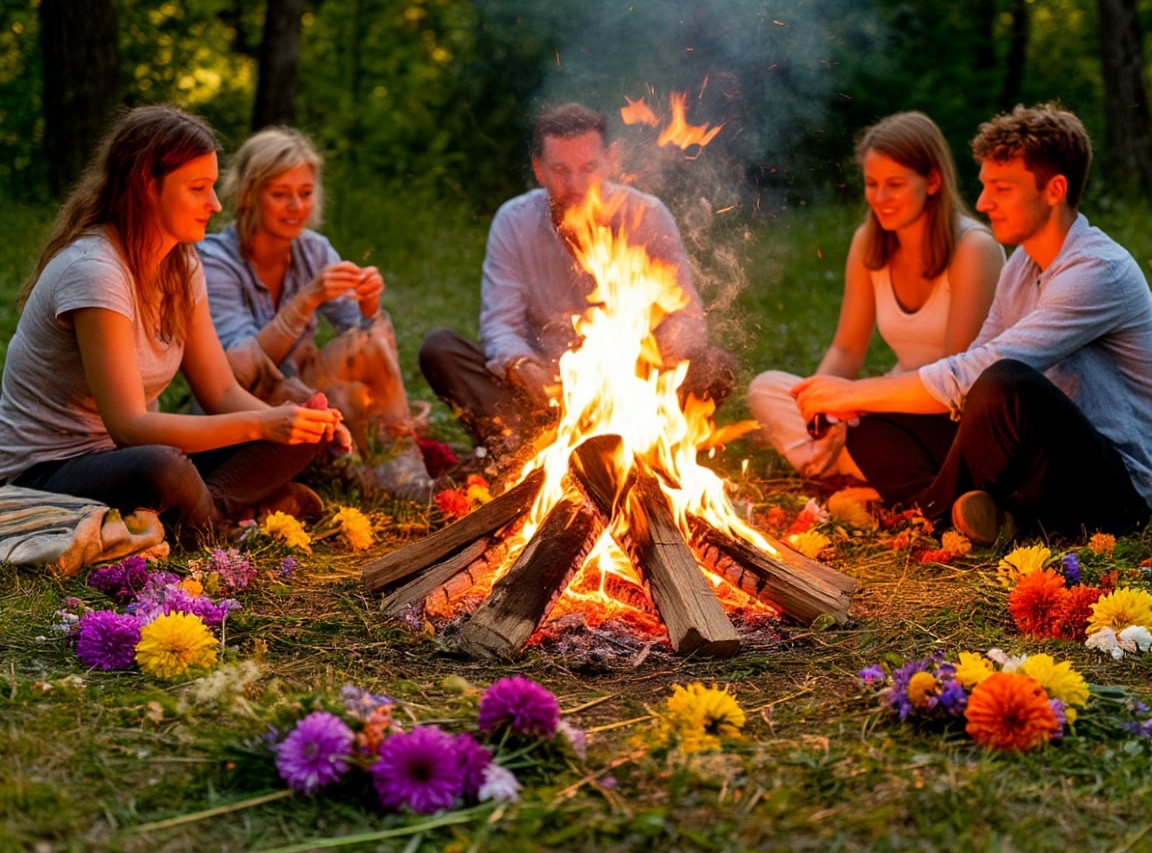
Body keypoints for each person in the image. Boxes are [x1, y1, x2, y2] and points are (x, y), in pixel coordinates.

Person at [791, 103, 1152, 546]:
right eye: (984, 187)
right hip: (1032, 463)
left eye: (1001, 189)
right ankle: (983, 516)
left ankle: (933, 517)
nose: (982, 203)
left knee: (1005, 381)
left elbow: (981, 372)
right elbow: (966, 382)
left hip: (1113, 487)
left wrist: (852, 389)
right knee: (871, 422)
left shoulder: (1097, 270)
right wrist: (861, 401)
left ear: (1054, 189)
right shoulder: (1022, 263)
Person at [0, 105, 343, 545]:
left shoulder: (181, 262)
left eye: (213, 186)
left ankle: (210, 509)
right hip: (49, 470)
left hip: (126, 455)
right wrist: (263, 426)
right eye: (198, 188)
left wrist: (291, 423)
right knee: (164, 468)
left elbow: (219, 392)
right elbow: (129, 426)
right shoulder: (96, 270)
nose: (215, 204)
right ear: (147, 186)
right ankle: (223, 518)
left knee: (302, 426)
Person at [418, 102, 735, 461]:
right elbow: (499, 326)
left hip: (634, 393)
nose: (575, 184)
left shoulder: (646, 216)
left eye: (588, 168)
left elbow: (689, 319)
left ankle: (627, 451)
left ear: (611, 160)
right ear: (539, 170)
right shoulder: (514, 222)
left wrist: (656, 352)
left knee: (714, 367)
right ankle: (529, 450)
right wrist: (521, 366)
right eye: (560, 170)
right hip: (543, 397)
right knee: (440, 348)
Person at [748, 111, 1004, 482]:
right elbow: (847, 349)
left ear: (932, 180)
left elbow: (955, 379)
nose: (880, 198)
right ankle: (840, 459)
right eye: (872, 183)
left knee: (869, 431)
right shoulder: (868, 243)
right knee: (767, 388)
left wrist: (857, 399)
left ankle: (844, 465)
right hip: (885, 403)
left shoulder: (973, 249)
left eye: (895, 184)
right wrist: (817, 407)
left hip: (947, 417)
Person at [197, 127, 433, 500]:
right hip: (238, 406)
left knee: (365, 349)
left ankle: (405, 474)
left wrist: (369, 308)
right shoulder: (214, 260)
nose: (296, 207)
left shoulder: (313, 250)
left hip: (301, 391)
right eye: (280, 194)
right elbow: (237, 370)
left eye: (305, 194)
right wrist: (305, 301)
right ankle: (348, 468)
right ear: (248, 195)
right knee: (335, 397)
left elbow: (371, 348)